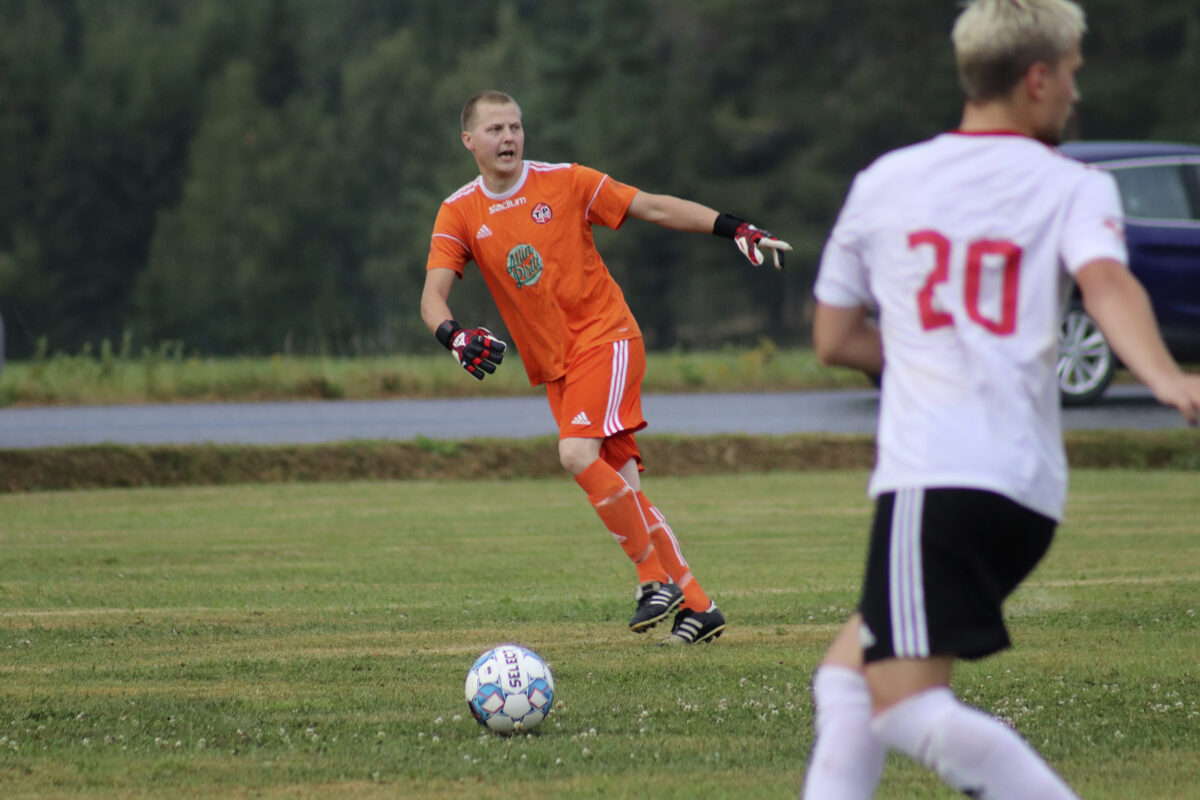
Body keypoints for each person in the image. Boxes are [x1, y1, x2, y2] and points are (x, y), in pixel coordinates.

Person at [799, 0, 1200, 797]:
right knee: (847, 681)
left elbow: (834, 338)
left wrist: (918, 356)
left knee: (905, 706)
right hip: (1024, 488)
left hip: (938, 478)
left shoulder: (886, 181)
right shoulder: (1073, 185)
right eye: (1075, 76)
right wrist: (1165, 377)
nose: (1076, 95)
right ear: (1038, 78)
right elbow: (1108, 284)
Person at [421, 90, 791, 645]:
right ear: (469, 141)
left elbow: (654, 206)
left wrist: (733, 227)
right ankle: (699, 605)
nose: (509, 139)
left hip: (606, 338)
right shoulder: (460, 210)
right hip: (557, 367)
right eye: (495, 129)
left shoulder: (567, 180)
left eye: (516, 127)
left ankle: (651, 581)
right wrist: (453, 335)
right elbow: (431, 298)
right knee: (627, 491)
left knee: (575, 454)